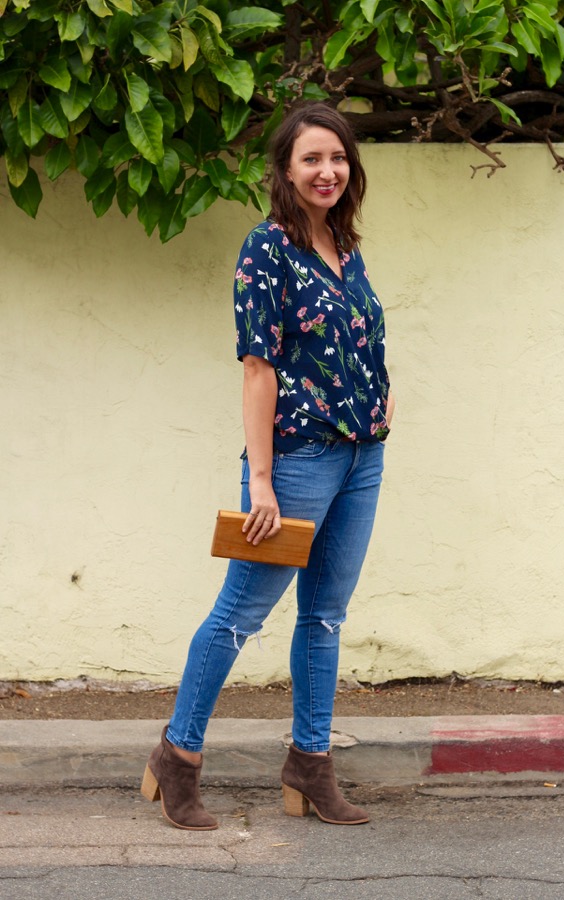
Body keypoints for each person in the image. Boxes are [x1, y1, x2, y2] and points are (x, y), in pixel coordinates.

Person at [141, 101, 395, 830]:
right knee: (238, 616)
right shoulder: (268, 248)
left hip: (362, 457)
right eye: (312, 158)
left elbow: (366, 343)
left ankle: (310, 768)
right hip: (299, 461)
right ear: (285, 169)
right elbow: (259, 368)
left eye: (338, 157)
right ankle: (178, 756)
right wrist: (261, 480)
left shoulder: (347, 248)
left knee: (324, 617)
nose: (328, 170)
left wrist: (384, 405)